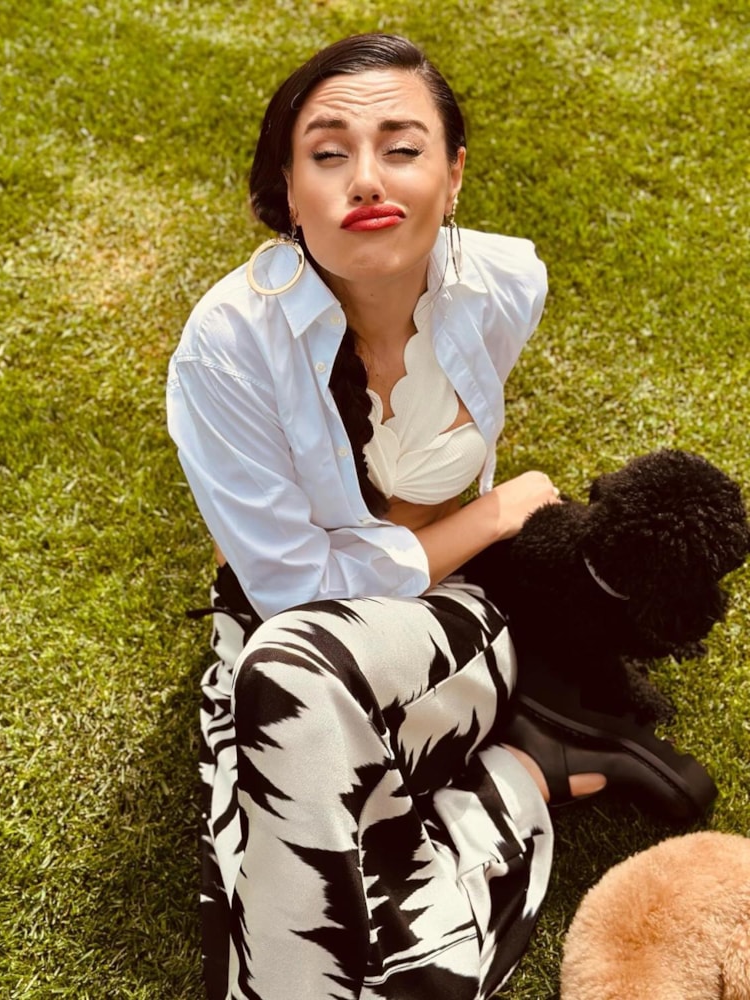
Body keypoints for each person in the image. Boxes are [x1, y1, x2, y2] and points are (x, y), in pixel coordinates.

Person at [167, 33, 711, 1000]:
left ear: (453, 175)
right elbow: (290, 593)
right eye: (328, 153)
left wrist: (461, 546)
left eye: (402, 148)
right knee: (283, 724)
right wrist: (492, 515)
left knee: (285, 720)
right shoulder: (226, 346)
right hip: (278, 635)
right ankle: (521, 781)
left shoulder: (504, 285)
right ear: (289, 193)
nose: (366, 178)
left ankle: (506, 754)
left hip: (447, 622)